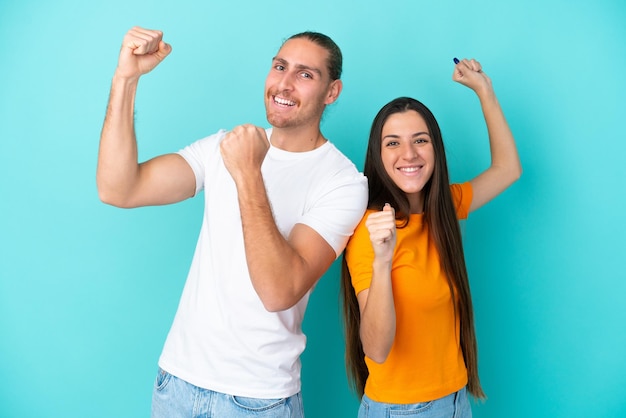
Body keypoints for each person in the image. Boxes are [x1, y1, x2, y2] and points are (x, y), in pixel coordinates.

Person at [97, 26, 368, 417]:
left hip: (258, 399)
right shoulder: (225, 145)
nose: (284, 84)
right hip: (175, 384)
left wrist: (248, 173)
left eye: (305, 74)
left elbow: (279, 291)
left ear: (332, 92)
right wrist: (126, 79)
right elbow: (118, 188)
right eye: (279, 67)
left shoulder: (342, 183)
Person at [341, 58, 522, 417]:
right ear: (378, 156)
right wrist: (382, 260)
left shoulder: (445, 208)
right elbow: (376, 349)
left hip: (455, 401)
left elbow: (508, 169)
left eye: (420, 140)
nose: (409, 154)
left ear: (435, 149)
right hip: (402, 409)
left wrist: (485, 91)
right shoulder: (371, 230)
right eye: (393, 143)